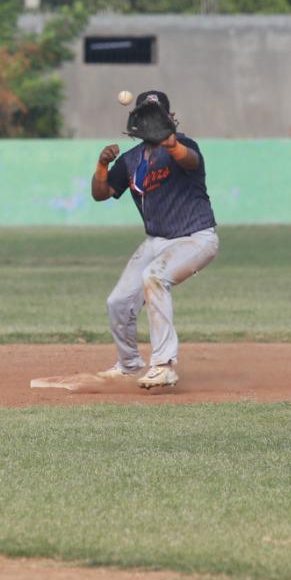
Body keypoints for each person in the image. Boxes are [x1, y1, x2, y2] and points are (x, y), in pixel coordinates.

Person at [91, 90, 220, 390]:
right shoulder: (131, 160)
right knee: (118, 302)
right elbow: (102, 194)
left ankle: (163, 365)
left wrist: (171, 141)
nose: (153, 124)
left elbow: (190, 161)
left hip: (196, 237)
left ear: (170, 118)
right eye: (147, 117)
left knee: (155, 277)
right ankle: (129, 365)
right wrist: (101, 166)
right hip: (157, 241)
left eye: (158, 116)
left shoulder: (184, 145)